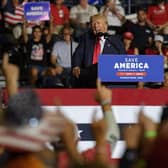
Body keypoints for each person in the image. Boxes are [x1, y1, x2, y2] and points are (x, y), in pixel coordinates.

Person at [72, 14, 125, 88]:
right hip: (88, 79)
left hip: (108, 82)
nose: (95, 26)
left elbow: (123, 60)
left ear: (105, 25)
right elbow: (78, 55)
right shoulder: (87, 39)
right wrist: (76, 66)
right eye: (93, 24)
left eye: (98, 23)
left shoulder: (115, 41)